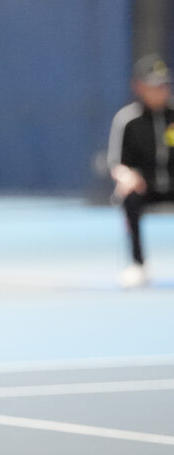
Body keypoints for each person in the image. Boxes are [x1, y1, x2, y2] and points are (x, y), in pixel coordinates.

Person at [107, 54, 174, 288]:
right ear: (139, 86)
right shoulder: (127, 120)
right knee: (130, 197)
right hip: (146, 186)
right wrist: (127, 176)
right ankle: (138, 263)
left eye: (164, 84)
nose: (160, 90)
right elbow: (117, 163)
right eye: (154, 85)